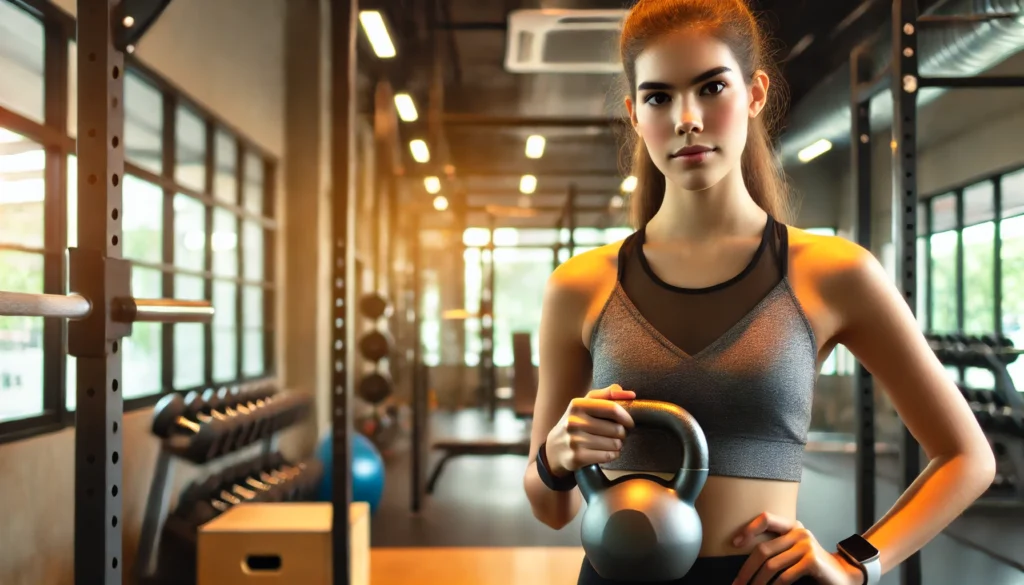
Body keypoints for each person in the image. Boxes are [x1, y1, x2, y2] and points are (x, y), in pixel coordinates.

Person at [522, 1, 997, 584]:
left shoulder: (832, 273)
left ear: (754, 93)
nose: (686, 118)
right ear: (634, 114)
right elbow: (551, 510)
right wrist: (557, 453)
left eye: (711, 87)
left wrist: (857, 564)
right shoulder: (579, 286)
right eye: (659, 97)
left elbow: (967, 458)